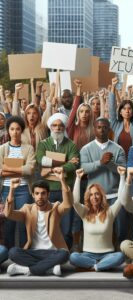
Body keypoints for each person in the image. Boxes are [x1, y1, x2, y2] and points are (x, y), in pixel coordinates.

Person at [5, 168, 71, 276]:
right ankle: (49, 268)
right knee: (13, 252)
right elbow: (8, 214)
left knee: (64, 254)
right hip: (33, 252)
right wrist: (11, 190)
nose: (40, 196)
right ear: (33, 195)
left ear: (48, 194)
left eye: (43, 193)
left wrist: (62, 180)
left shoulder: (55, 208)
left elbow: (68, 204)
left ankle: (27, 270)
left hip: (52, 252)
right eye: (37, 193)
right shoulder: (27, 209)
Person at [36, 113, 79, 249]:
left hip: (65, 189)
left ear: (64, 127)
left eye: (61, 126)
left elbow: (74, 164)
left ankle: (65, 253)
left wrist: (50, 168)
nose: (57, 128)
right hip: (47, 191)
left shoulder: (71, 144)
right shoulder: (43, 144)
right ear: (50, 127)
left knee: (66, 225)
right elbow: (41, 160)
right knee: (48, 224)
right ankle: (50, 253)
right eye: (54, 125)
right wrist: (64, 162)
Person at [69, 168, 125, 271]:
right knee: (73, 257)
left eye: (97, 194)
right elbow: (75, 202)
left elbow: (121, 199)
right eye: (91, 194)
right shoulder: (84, 212)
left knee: (120, 256)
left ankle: (93, 267)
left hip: (107, 254)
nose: (94, 197)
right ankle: (102, 266)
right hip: (88, 255)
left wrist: (122, 176)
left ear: (101, 196)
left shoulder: (110, 212)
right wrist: (78, 178)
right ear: (88, 197)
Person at [80, 117, 126, 243]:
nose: (102, 130)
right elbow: (83, 169)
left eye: (105, 127)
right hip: (94, 197)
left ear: (109, 129)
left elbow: (123, 171)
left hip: (115, 195)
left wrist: (109, 163)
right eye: (99, 127)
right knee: (96, 228)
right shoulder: (86, 149)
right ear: (94, 129)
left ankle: (121, 251)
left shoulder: (118, 149)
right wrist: (100, 162)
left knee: (119, 228)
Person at [0, 116, 36, 249]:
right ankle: (8, 254)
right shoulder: (2, 149)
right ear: (8, 131)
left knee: (23, 221)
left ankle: (22, 252)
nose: (15, 132)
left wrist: (7, 167)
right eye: (12, 129)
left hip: (24, 189)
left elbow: (30, 169)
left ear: (22, 131)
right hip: (6, 189)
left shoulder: (29, 148)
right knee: (8, 222)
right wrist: (21, 169)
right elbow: (0, 172)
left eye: (18, 129)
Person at [109, 77, 133, 158]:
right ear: (120, 111)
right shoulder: (115, 124)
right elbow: (111, 109)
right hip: (119, 161)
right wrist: (113, 87)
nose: (127, 111)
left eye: (129, 108)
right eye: (124, 109)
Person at [66, 80, 94, 151]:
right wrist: (78, 89)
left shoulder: (94, 129)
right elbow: (74, 109)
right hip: (74, 159)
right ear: (78, 113)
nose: (84, 114)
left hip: (89, 160)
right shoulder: (73, 127)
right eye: (81, 111)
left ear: (90, 114)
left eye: (87, 111)